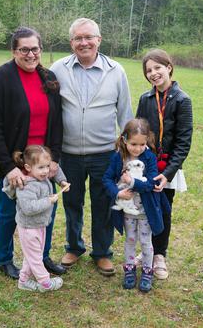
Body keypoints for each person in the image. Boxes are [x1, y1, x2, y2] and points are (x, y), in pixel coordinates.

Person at [50, 18, 133, 276]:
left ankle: (102, 252)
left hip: (104, 154)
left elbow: (125, 115)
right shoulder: (58, 69)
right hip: (69, 154)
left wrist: (128, 157)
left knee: (103, 203)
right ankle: (74, 247)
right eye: (78, 38)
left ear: (99, 39)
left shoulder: (116, 70)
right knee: (72, 202)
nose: (83, 42)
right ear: (71, 42)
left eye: (88, 37)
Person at [0, 26, 66, 279]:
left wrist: (54, 161)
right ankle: (4, 259)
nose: (30, 54)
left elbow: (57, 123)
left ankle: (41, 257)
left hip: (43, 163)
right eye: (24, 49)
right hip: (14, 162)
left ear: (41, 49)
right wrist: (8, 168)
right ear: (14, 51)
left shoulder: (48, 77)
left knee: (45, 209)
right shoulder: (2, 78)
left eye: (35, 49)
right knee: (8, 210)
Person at [136, 48, 193, 279]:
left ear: (169, 67)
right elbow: (139, 133)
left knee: (163, 210)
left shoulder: (182, 100)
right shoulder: (145, 99)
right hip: (147, 166)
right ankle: (146, 250)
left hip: (167, 169)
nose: (153, 73)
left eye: (157, 67)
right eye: (149, 70)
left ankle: (159, 254)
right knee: (146, 208)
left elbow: (183, 143)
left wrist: (167, 174)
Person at [103, 118, 170, 292]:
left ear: (147, 141)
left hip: (145, 211)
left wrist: (132, 182)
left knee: (146, 242)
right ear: (125, 139)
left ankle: (147, 271)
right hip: (127, 210)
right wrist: (118, 193)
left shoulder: (149, 157)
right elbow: (107, 179)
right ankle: (129, 269)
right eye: (134, 144)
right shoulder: (119, 157)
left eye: (142, 144)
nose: (138, 148)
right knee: (131, 239)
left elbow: (151, 184)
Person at [3, 145, 70, 292]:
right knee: (35, 258)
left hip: (39, 225)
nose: (46, 171)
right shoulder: (26, 186)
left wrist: (62, 182)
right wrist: (48, 201)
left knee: (33, 255)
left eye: (47, 166)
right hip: (28, 228)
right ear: (28, 167)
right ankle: (45, 283)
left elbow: (56, 170)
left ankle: (24, 280)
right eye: (41, 167)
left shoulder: (42, 178)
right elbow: (28, 208)